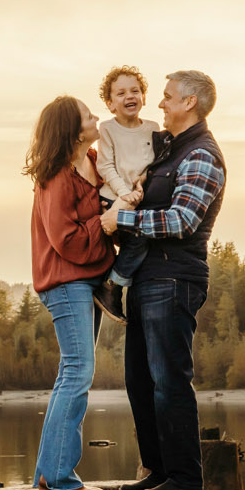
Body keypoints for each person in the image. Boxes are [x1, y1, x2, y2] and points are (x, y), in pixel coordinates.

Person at [102, 70, 225, 490]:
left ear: (189, 103)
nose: (161, 104)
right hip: (148, 278)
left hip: (175, 279)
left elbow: (182, 221)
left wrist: (127, 219)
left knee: (170, 380)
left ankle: (186, 481)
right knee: (139, 379)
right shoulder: (168, 152)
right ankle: (157, 473)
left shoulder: (201, 155)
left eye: (168, 98)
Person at [27, 94, 129, 490]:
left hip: (87, 279)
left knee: (73, 373)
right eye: (88, 115)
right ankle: (59, 477)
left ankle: (50, 475)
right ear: (71, 129)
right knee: (78, 371)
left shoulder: (93, 160)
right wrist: (103, 225)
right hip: (64, 280)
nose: (96, 117)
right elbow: (66, 240)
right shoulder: (56, 177)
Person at [93, 66, 157, 320]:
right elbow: (105, 165)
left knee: (143, 240)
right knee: (139, 239)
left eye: (135, 91)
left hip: (139, 197)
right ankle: (111, 285)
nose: (129, 96)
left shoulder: (153, 127)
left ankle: (114, 284)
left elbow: (152, 163)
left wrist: (141, 185)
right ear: (110, 104)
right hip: (113, 198)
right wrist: (123, 194)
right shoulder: (108, 129)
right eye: (120, 93)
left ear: (144, 97)